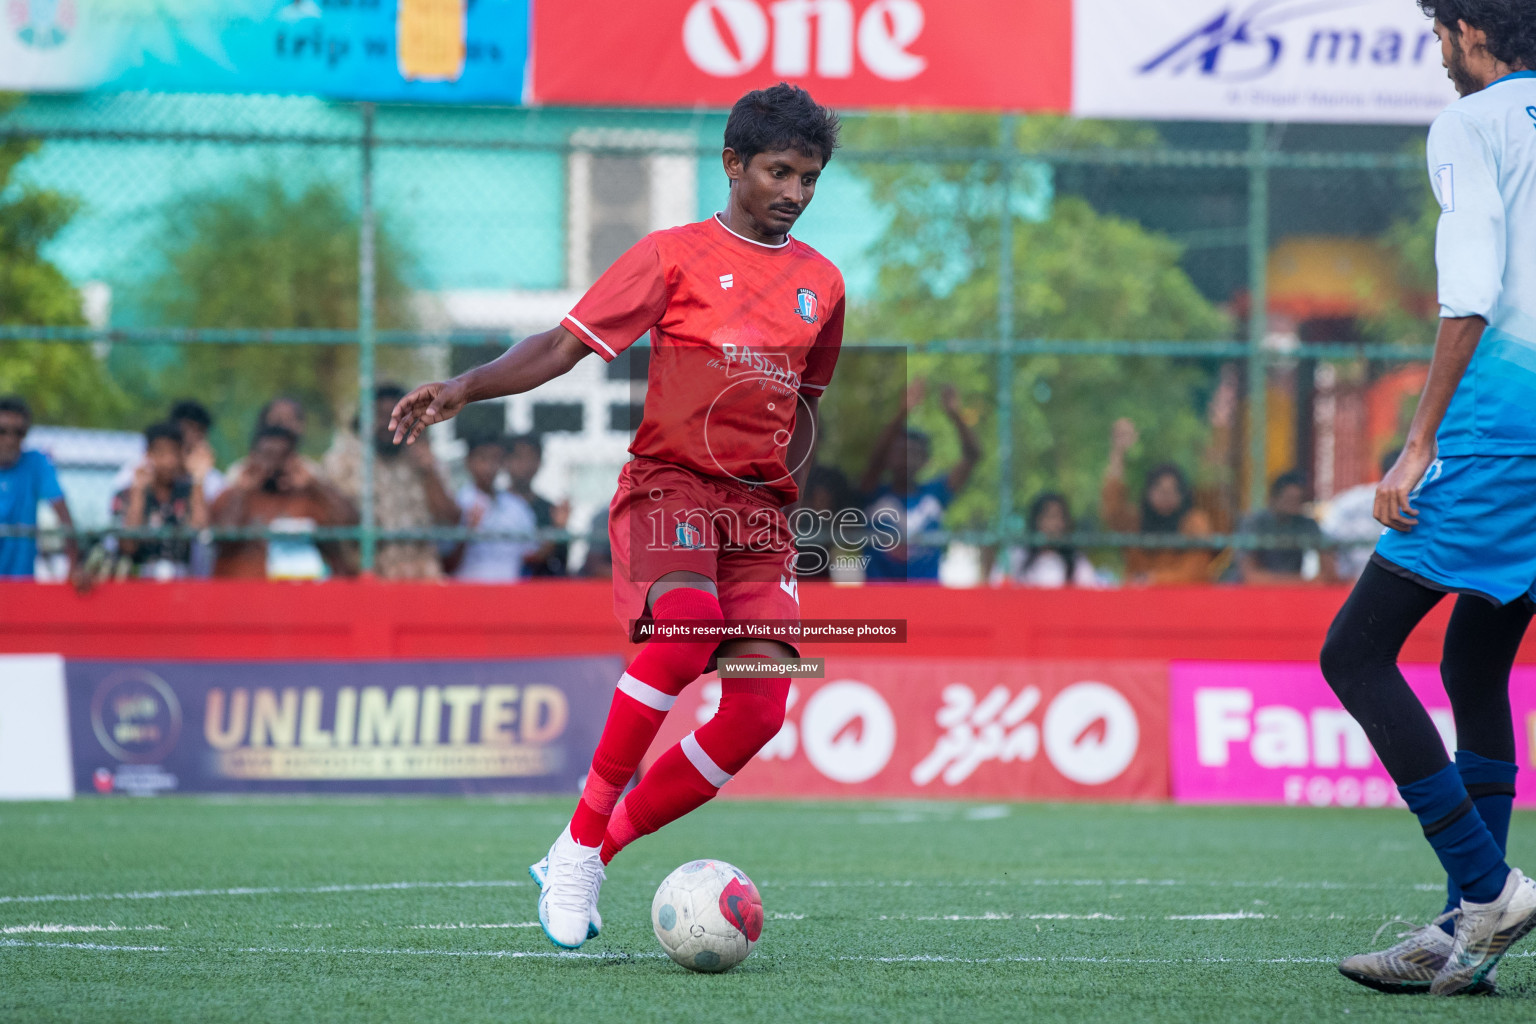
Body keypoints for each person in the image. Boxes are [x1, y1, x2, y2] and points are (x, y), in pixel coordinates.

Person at [388, 83, 844, 950]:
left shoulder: (823, 284)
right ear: (733, 164)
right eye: (779, 171)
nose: (793, 191)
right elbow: (562, 346)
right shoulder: (671, 257)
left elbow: (805, 410)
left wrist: (791, 521)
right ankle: (582, 837)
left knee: (757, 712)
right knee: (682, 632)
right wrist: (462, 388)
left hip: (759, 518)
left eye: (810, 177)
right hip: (670, 488)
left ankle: (588, 849)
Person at [1322, 3, 1536, 997]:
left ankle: (1487, 890)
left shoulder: (1474, 120)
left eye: (1438, 35)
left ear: (1467, 30)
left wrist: (1419, 441)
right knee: (1475, 655)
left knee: (1355, 651)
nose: (1439, 56)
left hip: (1505, 423)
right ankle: (1465, 936)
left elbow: (1473, 293)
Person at [1100, 370, 1236, 585]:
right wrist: (1117, 452)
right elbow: (1112, 508)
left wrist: (1219, 432)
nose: (1167, 497)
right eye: (1160, 491)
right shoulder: (1136, 522)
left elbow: (1195, 574)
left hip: (1184, 606)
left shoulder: (1194, 522)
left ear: (1183, 495)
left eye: (1173, 491)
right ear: (1148, 493)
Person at [325, 383, 460, 580]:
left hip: (422, 578)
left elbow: (451, 519)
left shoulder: (422, 458)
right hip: (370, 578)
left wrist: (428, 472)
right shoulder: (343, 461)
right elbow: (331, 523)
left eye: (396, 416)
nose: (389, 424)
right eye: (380, 416)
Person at [860, 378, 981, 581]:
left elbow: (972, 456)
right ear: (889, 456)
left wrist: (955, 415)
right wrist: (902, 412)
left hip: (927, 599)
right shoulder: (873, 493)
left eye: (915, 452)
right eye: (901, 451)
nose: (907, 458)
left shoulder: (935, 494)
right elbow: (875, 460)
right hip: (880, 599)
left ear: (926, 460)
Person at [211, 426, 357, 579]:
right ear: (253, 457)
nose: (274, 465)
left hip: (300, 592)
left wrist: (315, 485)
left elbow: (349, 523)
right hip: (246, 592)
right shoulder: (233, 495)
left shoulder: (308, 497)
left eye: (282, 456)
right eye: (268, 456)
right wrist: (242, 491)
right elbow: (222, 537)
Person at [106, 421, 210, 580]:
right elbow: (128, 545)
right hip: (138, 582)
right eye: (161, 453)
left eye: (174, 453)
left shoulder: (190, 493)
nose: (169, 461)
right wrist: (138, 493)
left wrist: (198, 480)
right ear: (148, 454)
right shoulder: (127, 493)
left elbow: (200, 532)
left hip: (181, 583)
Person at [0, 395, 75, 579]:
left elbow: (63, 514)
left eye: (18, 432)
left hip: (21, 582)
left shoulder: (36, 464)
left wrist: (74, 564)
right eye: (1, 431)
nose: (10, 440)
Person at [449, 435, 538, 583]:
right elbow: (447, 564)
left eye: (495, 459)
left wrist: (559, 527)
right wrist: (467, 533)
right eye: (483, 458)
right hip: (467, 595)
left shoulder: (517, 506)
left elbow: (531, 554)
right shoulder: (457, 504)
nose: (489, 466)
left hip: (508, 596)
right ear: (468, 461)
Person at [1236, 471, 1338, 585]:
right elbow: (1250, 576)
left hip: (1291, 591)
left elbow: (1329, 573)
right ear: (1273, 499)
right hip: (1255, 593)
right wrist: (1303, 583)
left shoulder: (1306, 524)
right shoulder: (1254, 523)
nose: (1293, 505)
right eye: (1288, 499)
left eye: (1298, 500)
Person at [1321, 450, 1401, 582]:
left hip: (1399, 585)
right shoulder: (1351, 502)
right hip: (1349, 585)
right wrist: (1334, 580)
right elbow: (1324, 541)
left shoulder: (1422, 505)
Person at [990, 492, 1098, 588]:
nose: (1056, 524)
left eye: (1061, 518)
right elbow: (997, 588)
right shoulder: (1016, 557)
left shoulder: (1077, 563)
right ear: (1036, 520)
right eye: (1050, 517)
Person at [505, 434, 570, 577]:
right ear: (506, 461)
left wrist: (560, 528)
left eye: (531, 458)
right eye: (518, 457)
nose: (525, 465)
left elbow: (560, 560)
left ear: (539, 462)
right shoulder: (496, 505)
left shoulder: (549, 509)